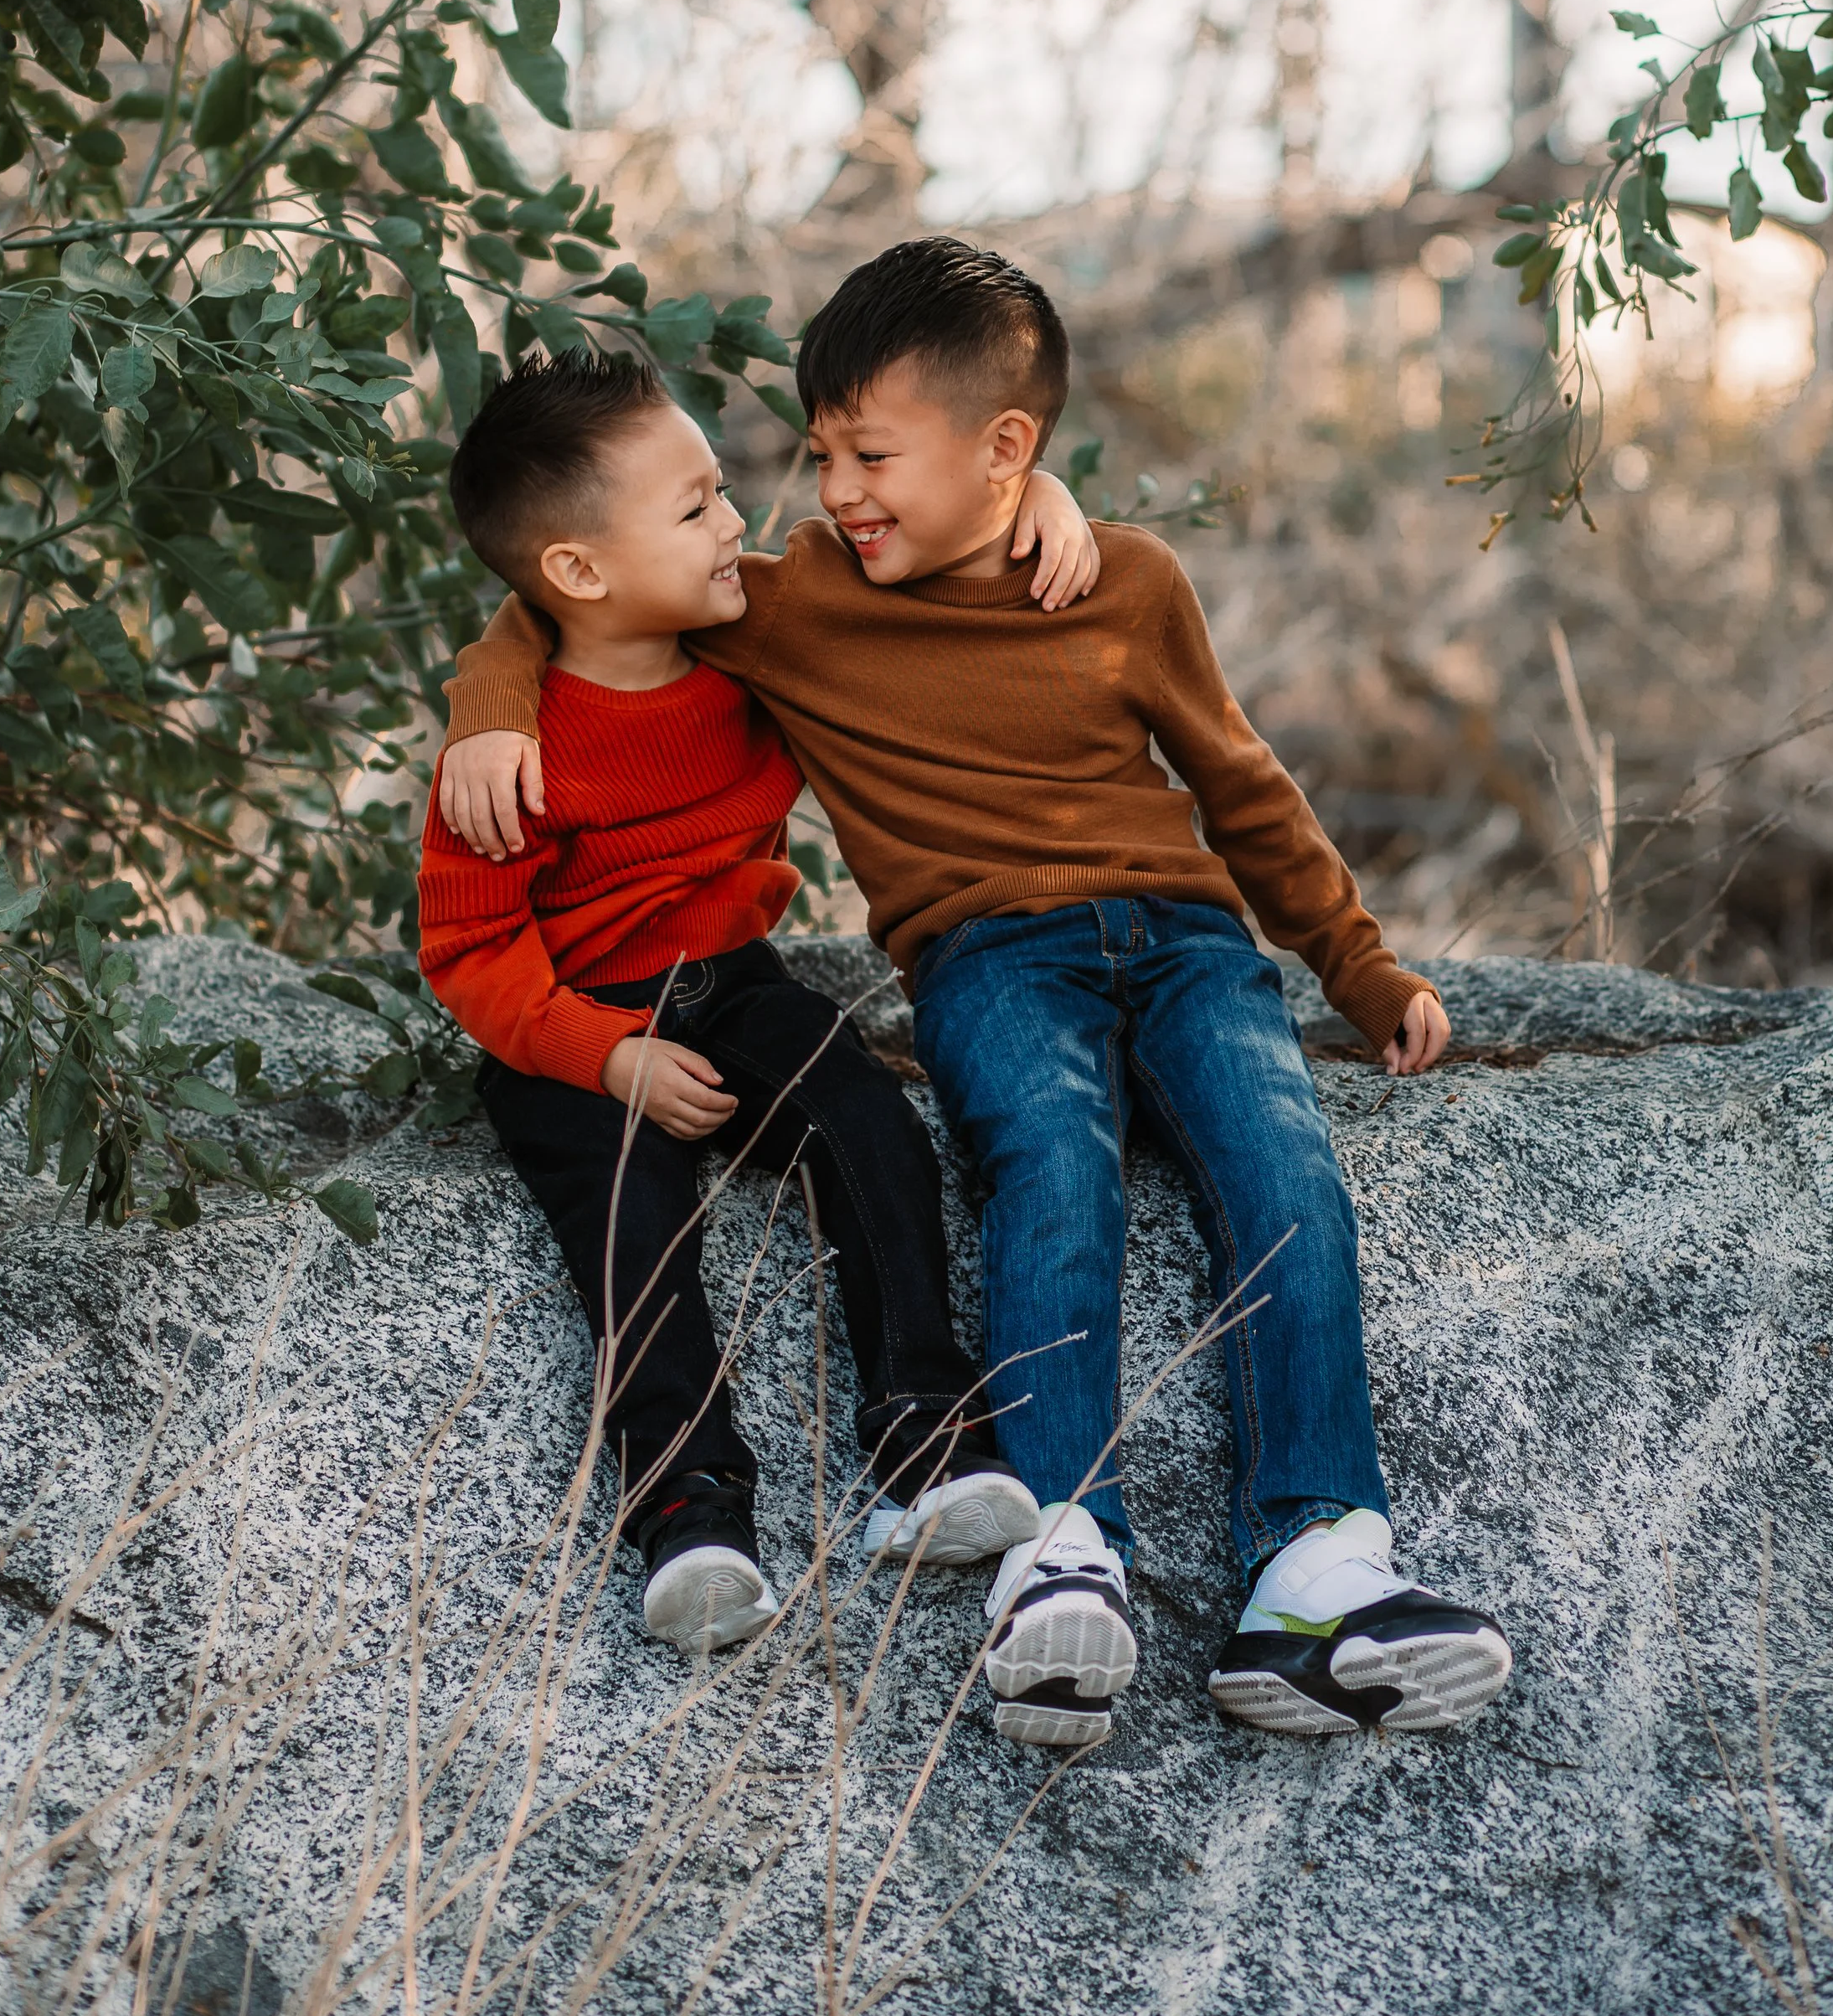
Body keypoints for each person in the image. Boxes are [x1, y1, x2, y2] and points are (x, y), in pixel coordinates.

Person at [437, 241, 1512, 1750]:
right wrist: (483, 710)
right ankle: (1064, 1544)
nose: (830, 491)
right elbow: (573, 591)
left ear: (1007, 448)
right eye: (820, 453)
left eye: (868, 454)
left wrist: (1355, 959)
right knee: (1044, 1169)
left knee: (1287, 1178)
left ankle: (1321, 1572)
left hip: (1198, 941)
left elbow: (1243, 783)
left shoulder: (1126, 576)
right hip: (990, 954)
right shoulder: (799, 597)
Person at [418, 341, 1099, 1656]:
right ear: (579, 570)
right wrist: (607, 1056)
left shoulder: (747, 635)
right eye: (695, 508)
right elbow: (471, 955)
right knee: (635, 1229)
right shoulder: (507, 763)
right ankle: (691, 1505)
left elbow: (925, 562)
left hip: (734, 983)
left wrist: (1045, 506)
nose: (739, 520)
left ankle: (927, 1433)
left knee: (866, 1120)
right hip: (575, 1024)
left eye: (721, 488)